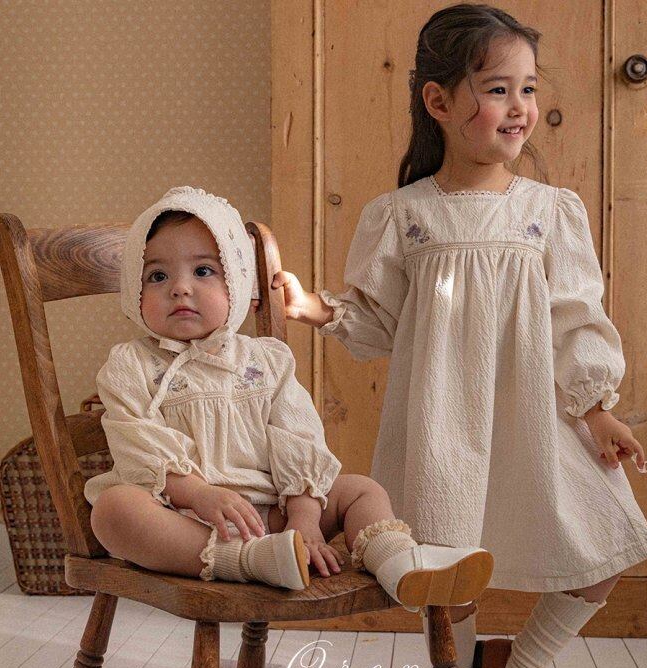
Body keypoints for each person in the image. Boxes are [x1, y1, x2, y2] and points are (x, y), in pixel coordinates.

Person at [271, 4, 647, 668]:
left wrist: (598, 407)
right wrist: (312, 307)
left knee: (610, 538)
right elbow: (380, 321)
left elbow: (575, 314)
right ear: (440, 102)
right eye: (498, 89)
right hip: (440, 421)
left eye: (529, 89)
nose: (520, 107)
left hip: (535, 414)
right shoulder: (404, 215)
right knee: (444, 560)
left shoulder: (550, 211)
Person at [85, 185, 494, 624]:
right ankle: (248, 559)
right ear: (133, 293)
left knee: (361, 490)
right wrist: (199, 494)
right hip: (186, 520)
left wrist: (304, 518)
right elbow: (137, 444)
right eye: (157, 277)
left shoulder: (266, 360)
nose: (180, 289)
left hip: (280, 515)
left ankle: (397, 561)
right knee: (113, 511)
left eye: (203, 271)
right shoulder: (130, 365)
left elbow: (297, 438)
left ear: (239, 286)